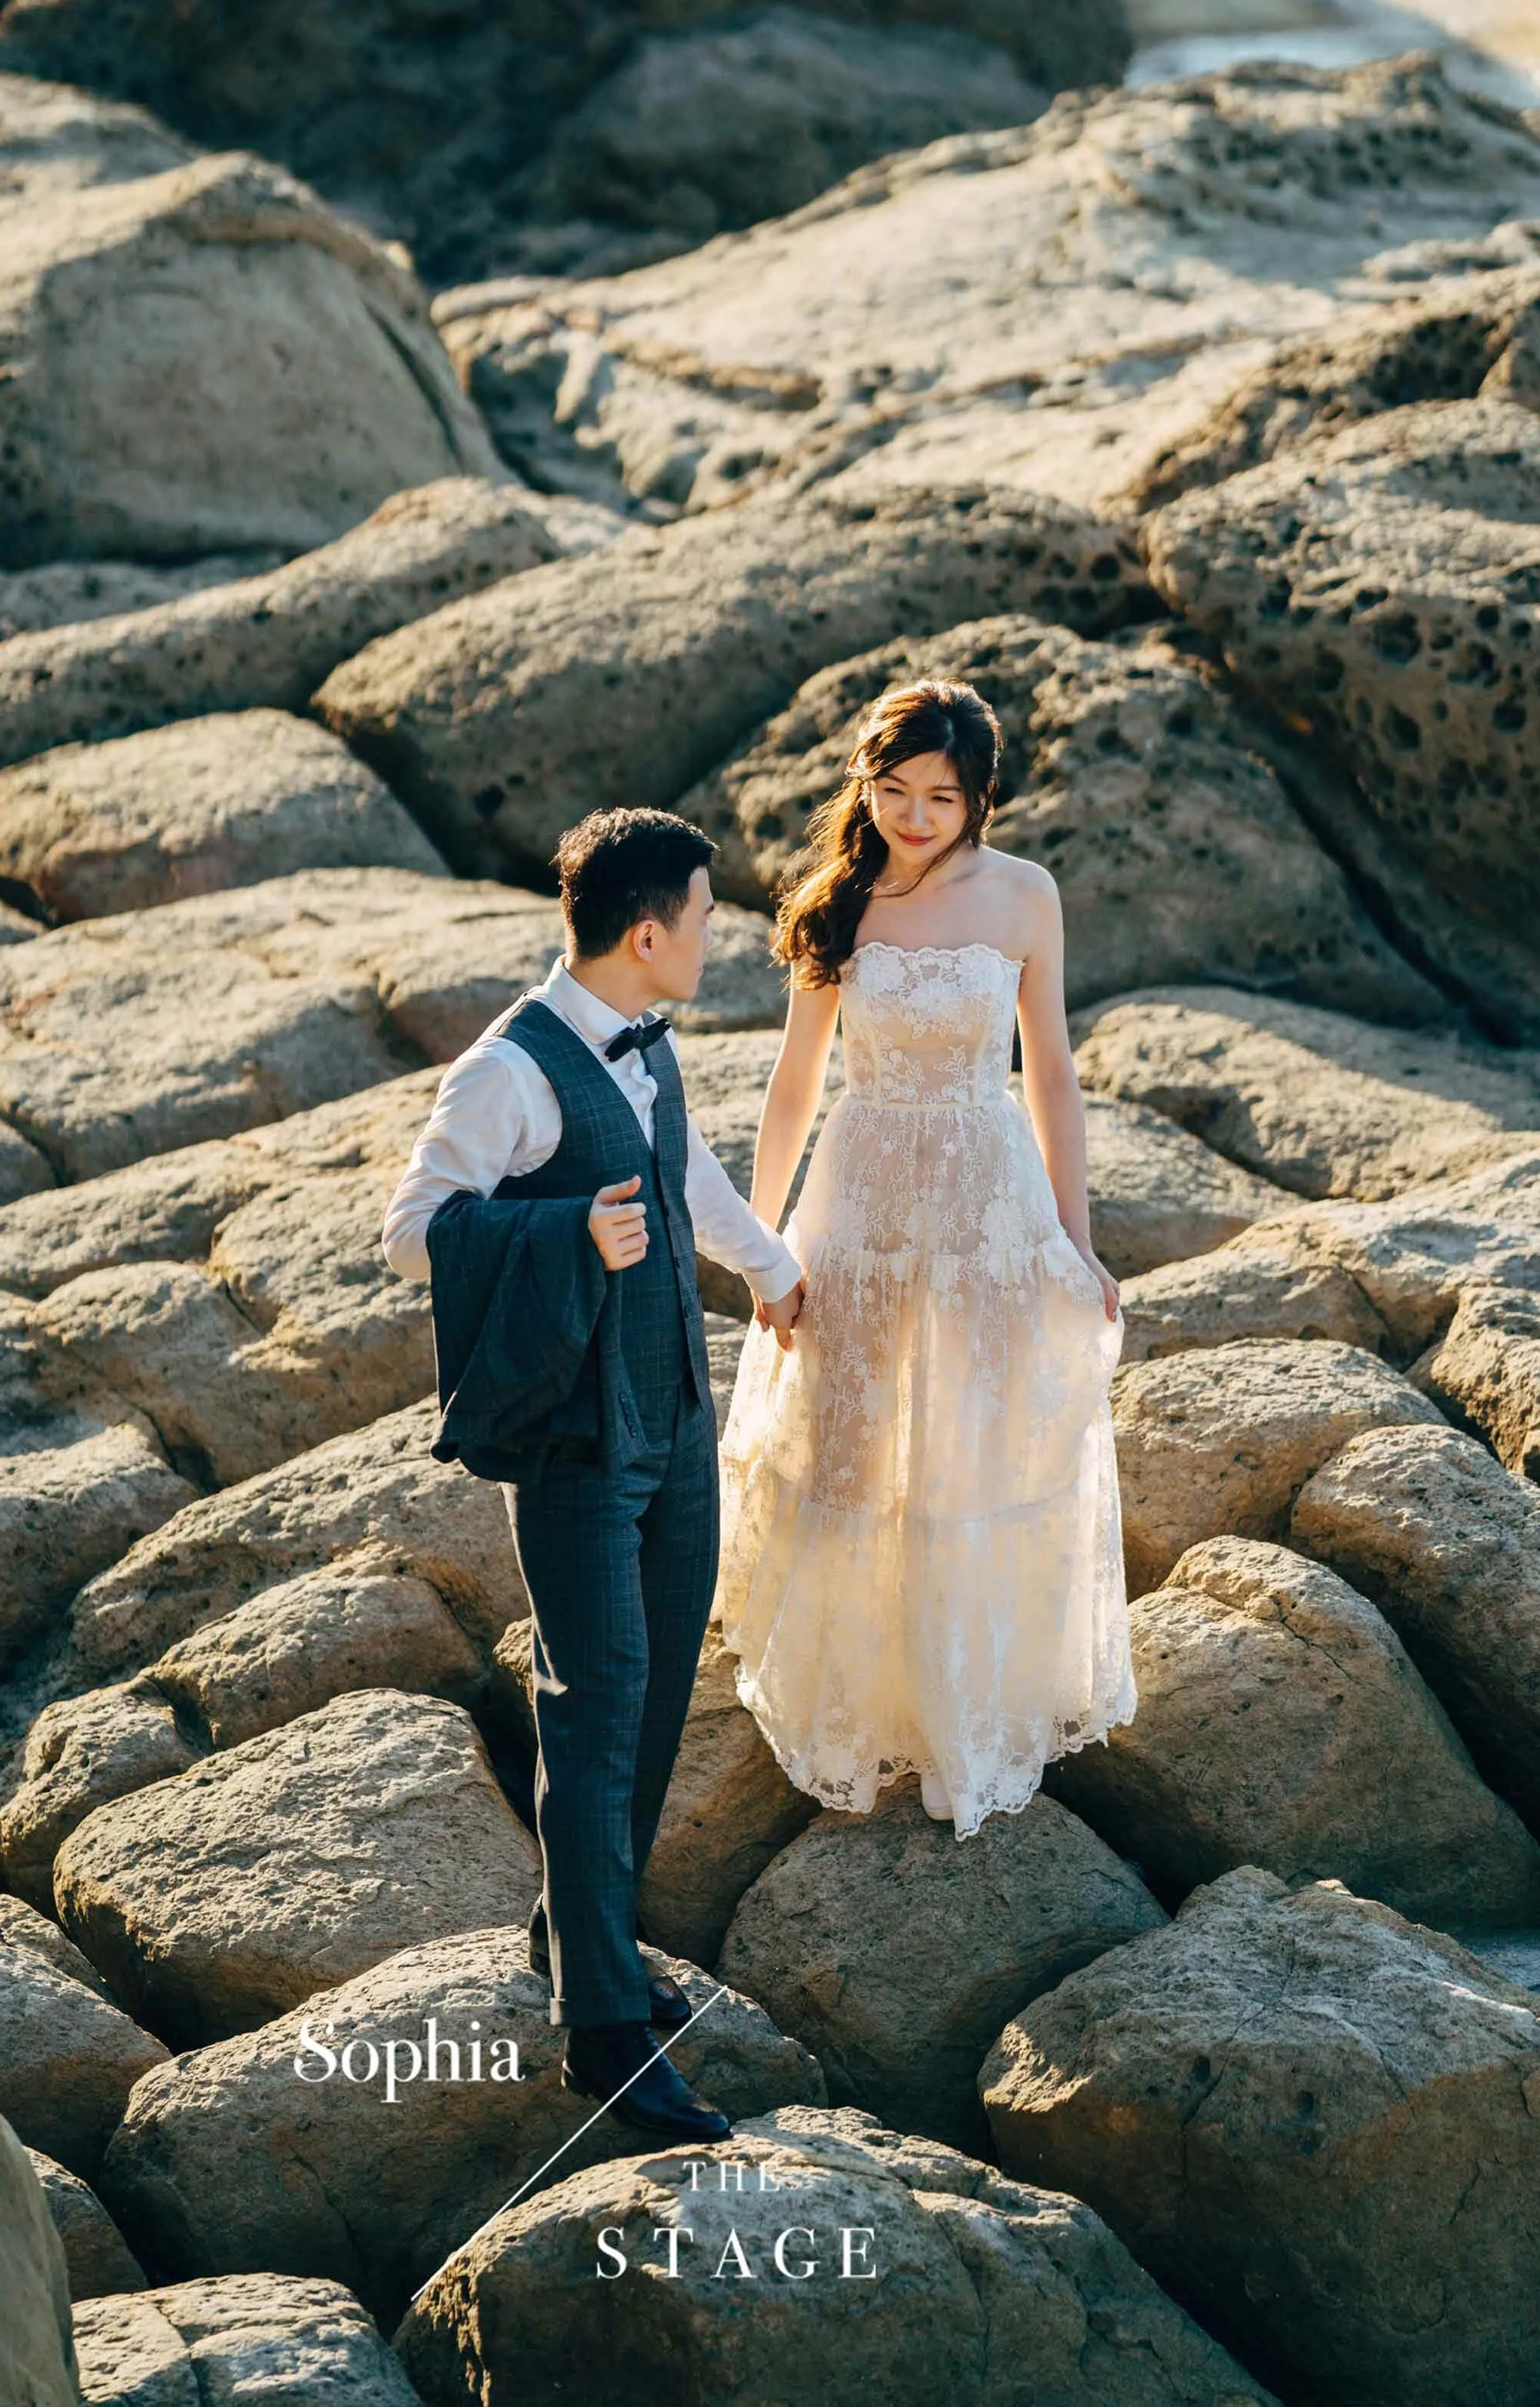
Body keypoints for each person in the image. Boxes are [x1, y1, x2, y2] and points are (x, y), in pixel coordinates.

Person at [382, 807, 804, 2139]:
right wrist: (570, 1231)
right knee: (594, 1703)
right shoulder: (506, 1069)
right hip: (571, 1438)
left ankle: (579, 1939)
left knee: (658, 1685)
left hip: (673, 1418)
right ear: (646, 931)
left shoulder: (649, 1046)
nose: (713, 935)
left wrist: (773, 1269)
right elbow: (412, 1231)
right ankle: (605, 2040)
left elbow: (684, 1178)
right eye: (703, 913)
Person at [717, 677, 1136, 1834]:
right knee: (849, 1449)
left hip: (986, 1197)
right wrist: (760, 1239)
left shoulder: (1024, 896)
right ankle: (860, 1699)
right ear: (867, 783)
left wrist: (1075, 1239)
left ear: (979, 796)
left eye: (938, 797)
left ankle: (966, 1699)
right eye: (892, 790)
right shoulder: (838, 902)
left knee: (975, 1438)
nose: (912, 815)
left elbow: (1049, 1072)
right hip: (862, 1194)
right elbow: (796, 1081)